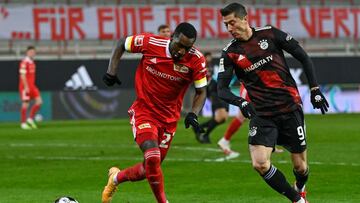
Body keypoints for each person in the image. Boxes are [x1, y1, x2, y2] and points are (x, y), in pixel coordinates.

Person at [217, 3, 329, 203]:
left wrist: (315, 89)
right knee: (260, 163)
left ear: (245, 18)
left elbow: (303, 57)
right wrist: (241, 102)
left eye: (232, 23)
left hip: (290, 109)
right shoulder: (230, 53)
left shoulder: (270, 34)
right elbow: (222, 89)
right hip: (262, 114)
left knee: (300, 167)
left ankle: (301, 186)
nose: (229, 29)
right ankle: (298, 200)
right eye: (226, 25)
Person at [101, 22, 207, 203]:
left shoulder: (196, 59)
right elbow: (122, 43)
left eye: (187, 48)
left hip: (169, 119)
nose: (182, 51)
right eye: (179, 45)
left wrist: (193, 113)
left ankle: (115, 178)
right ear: (171, 36)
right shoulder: (150, 43)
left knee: (147, 169)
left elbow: (201, 91)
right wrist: (111, 71)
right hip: (144, 111)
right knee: (152, 154)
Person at [217, 83, 284, 154]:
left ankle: (269, 145)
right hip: (249, 87)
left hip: (255, 87)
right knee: (245, 116)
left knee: (261, 115)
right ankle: (225, 140)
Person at [18, 46, 42, 130]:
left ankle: (30, 119)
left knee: (39, 101)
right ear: (27, 53)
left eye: (33, 52)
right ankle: (23, 123)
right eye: (30, 52)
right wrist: (26, 87)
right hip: (25, 86)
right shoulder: (24, 62)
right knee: (25, 104)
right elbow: (22, 75)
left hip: (32, 86)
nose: (32, 53)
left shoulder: (32, 62)